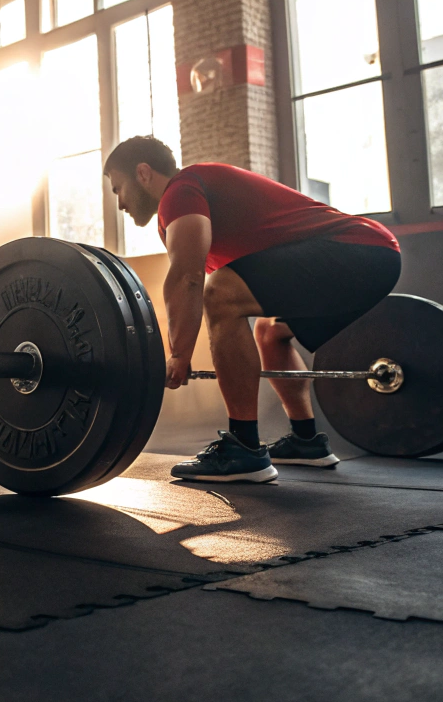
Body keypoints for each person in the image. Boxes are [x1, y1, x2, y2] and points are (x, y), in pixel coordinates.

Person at [104, 137, 401, 482]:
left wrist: (180, 355)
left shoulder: (180, 191)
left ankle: (243, 447)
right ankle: (306, 441)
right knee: (270, 331)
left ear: (143, 173)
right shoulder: (189, 193)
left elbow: (188, 277)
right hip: (375, 255)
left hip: (358, 248)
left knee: (221, 293)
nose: (120, 203)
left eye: (118, 189)